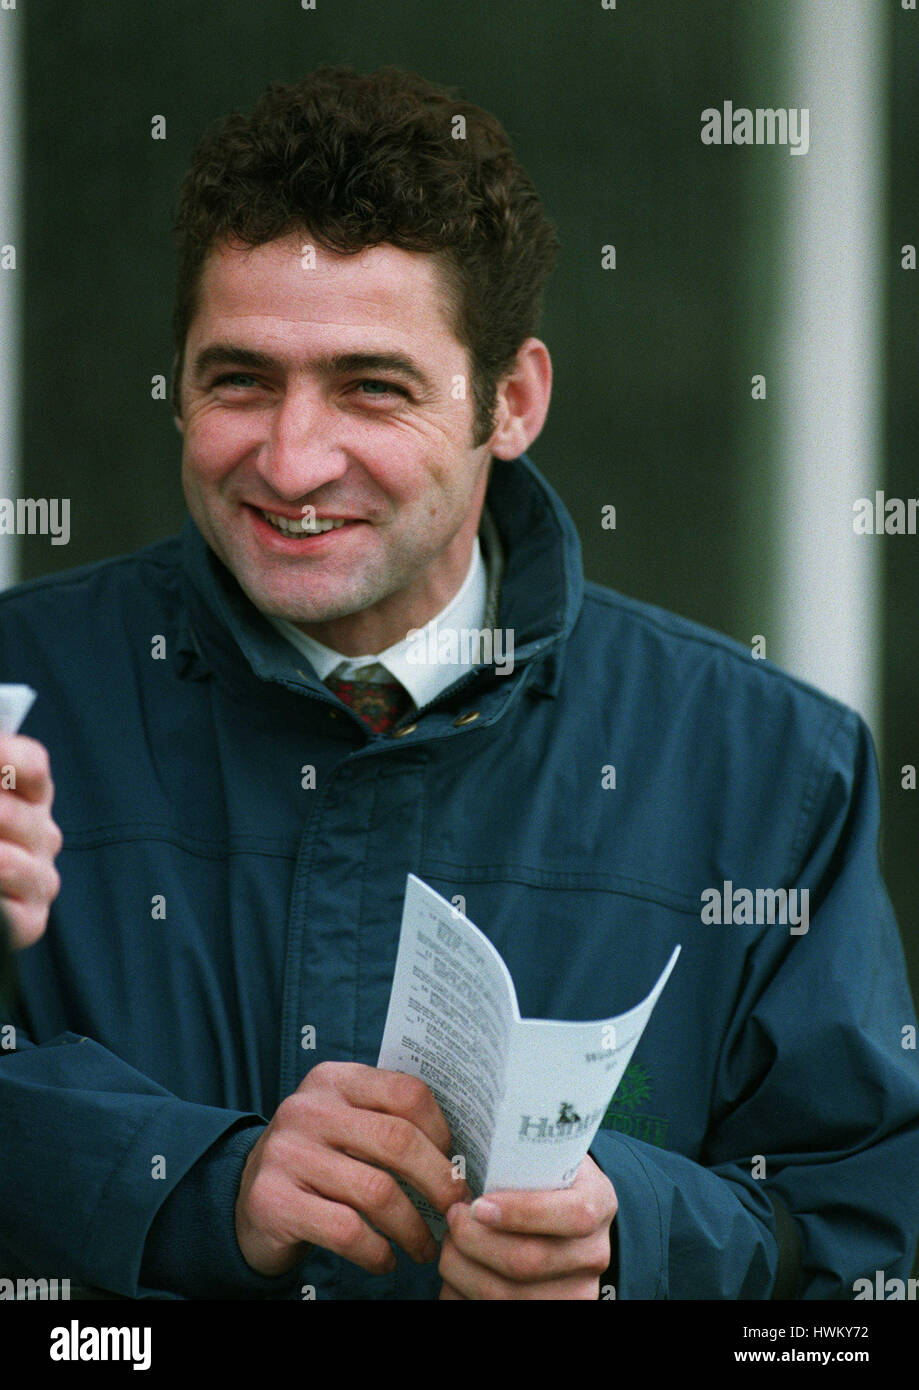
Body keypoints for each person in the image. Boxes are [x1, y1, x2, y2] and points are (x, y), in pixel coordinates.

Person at [0, 65, 917, 1302]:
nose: (291, 456)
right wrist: (191, 1182)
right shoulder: (22, 695)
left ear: (513, 399)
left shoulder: (771, 767)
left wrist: (630, 1239)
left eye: (370, 386)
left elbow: (865, 1247)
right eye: (240, 379)